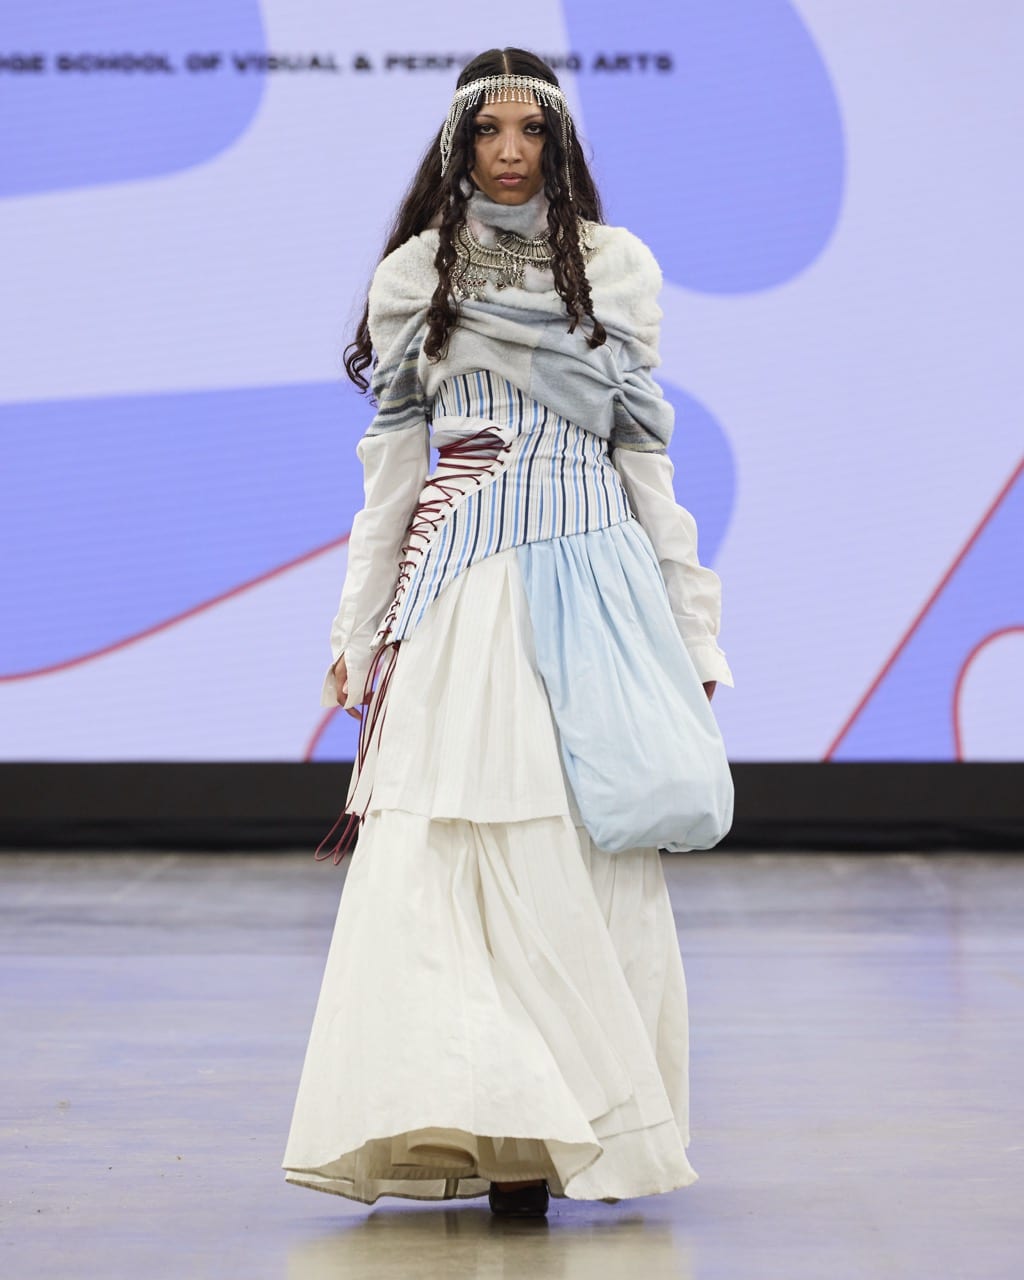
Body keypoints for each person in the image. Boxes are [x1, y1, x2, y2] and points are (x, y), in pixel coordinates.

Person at [282, 47, 734, 1218]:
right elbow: (389, 476)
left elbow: (648, 462)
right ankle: (485, 1119)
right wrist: (359, 625)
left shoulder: (617, 271)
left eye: (533, 130)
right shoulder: (415, 279)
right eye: (492, 129)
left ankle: (557, 1131)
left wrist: (694, 633)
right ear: (459, 143)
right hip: (464, 585)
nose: (513, 150)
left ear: (561, 143)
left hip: (592, 576)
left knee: (577, 840)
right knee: (447, 843)